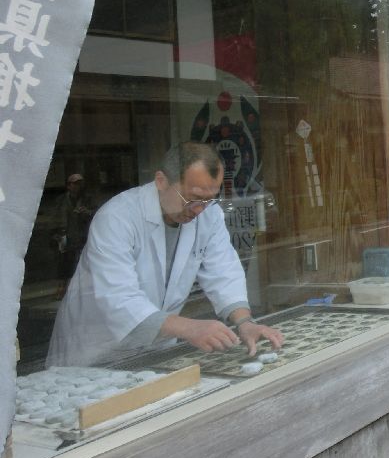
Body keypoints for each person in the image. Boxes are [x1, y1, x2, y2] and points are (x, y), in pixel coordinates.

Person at [48, 142, 283, 367]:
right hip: (96, 352)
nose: (199, 209)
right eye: (192, 199)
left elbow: (223, 271)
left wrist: (244, 322)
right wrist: (189, 328)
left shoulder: (208, 214)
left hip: (155, 350)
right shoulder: (117, 217)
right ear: (161, 181)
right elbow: (118, 299)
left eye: (209, 199)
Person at [54, 173, 95, 296]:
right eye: (75, 184)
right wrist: (55, 233)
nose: (78, 186)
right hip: (65, 235)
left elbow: (96, 213)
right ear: (69, 186)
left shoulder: (87, 199)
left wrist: (87, 212)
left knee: (82, 262)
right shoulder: (61, 200)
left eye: (80, 184)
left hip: (82, 235)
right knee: (64, 262)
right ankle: (62, 287)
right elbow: (55, 217)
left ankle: (80, 288)